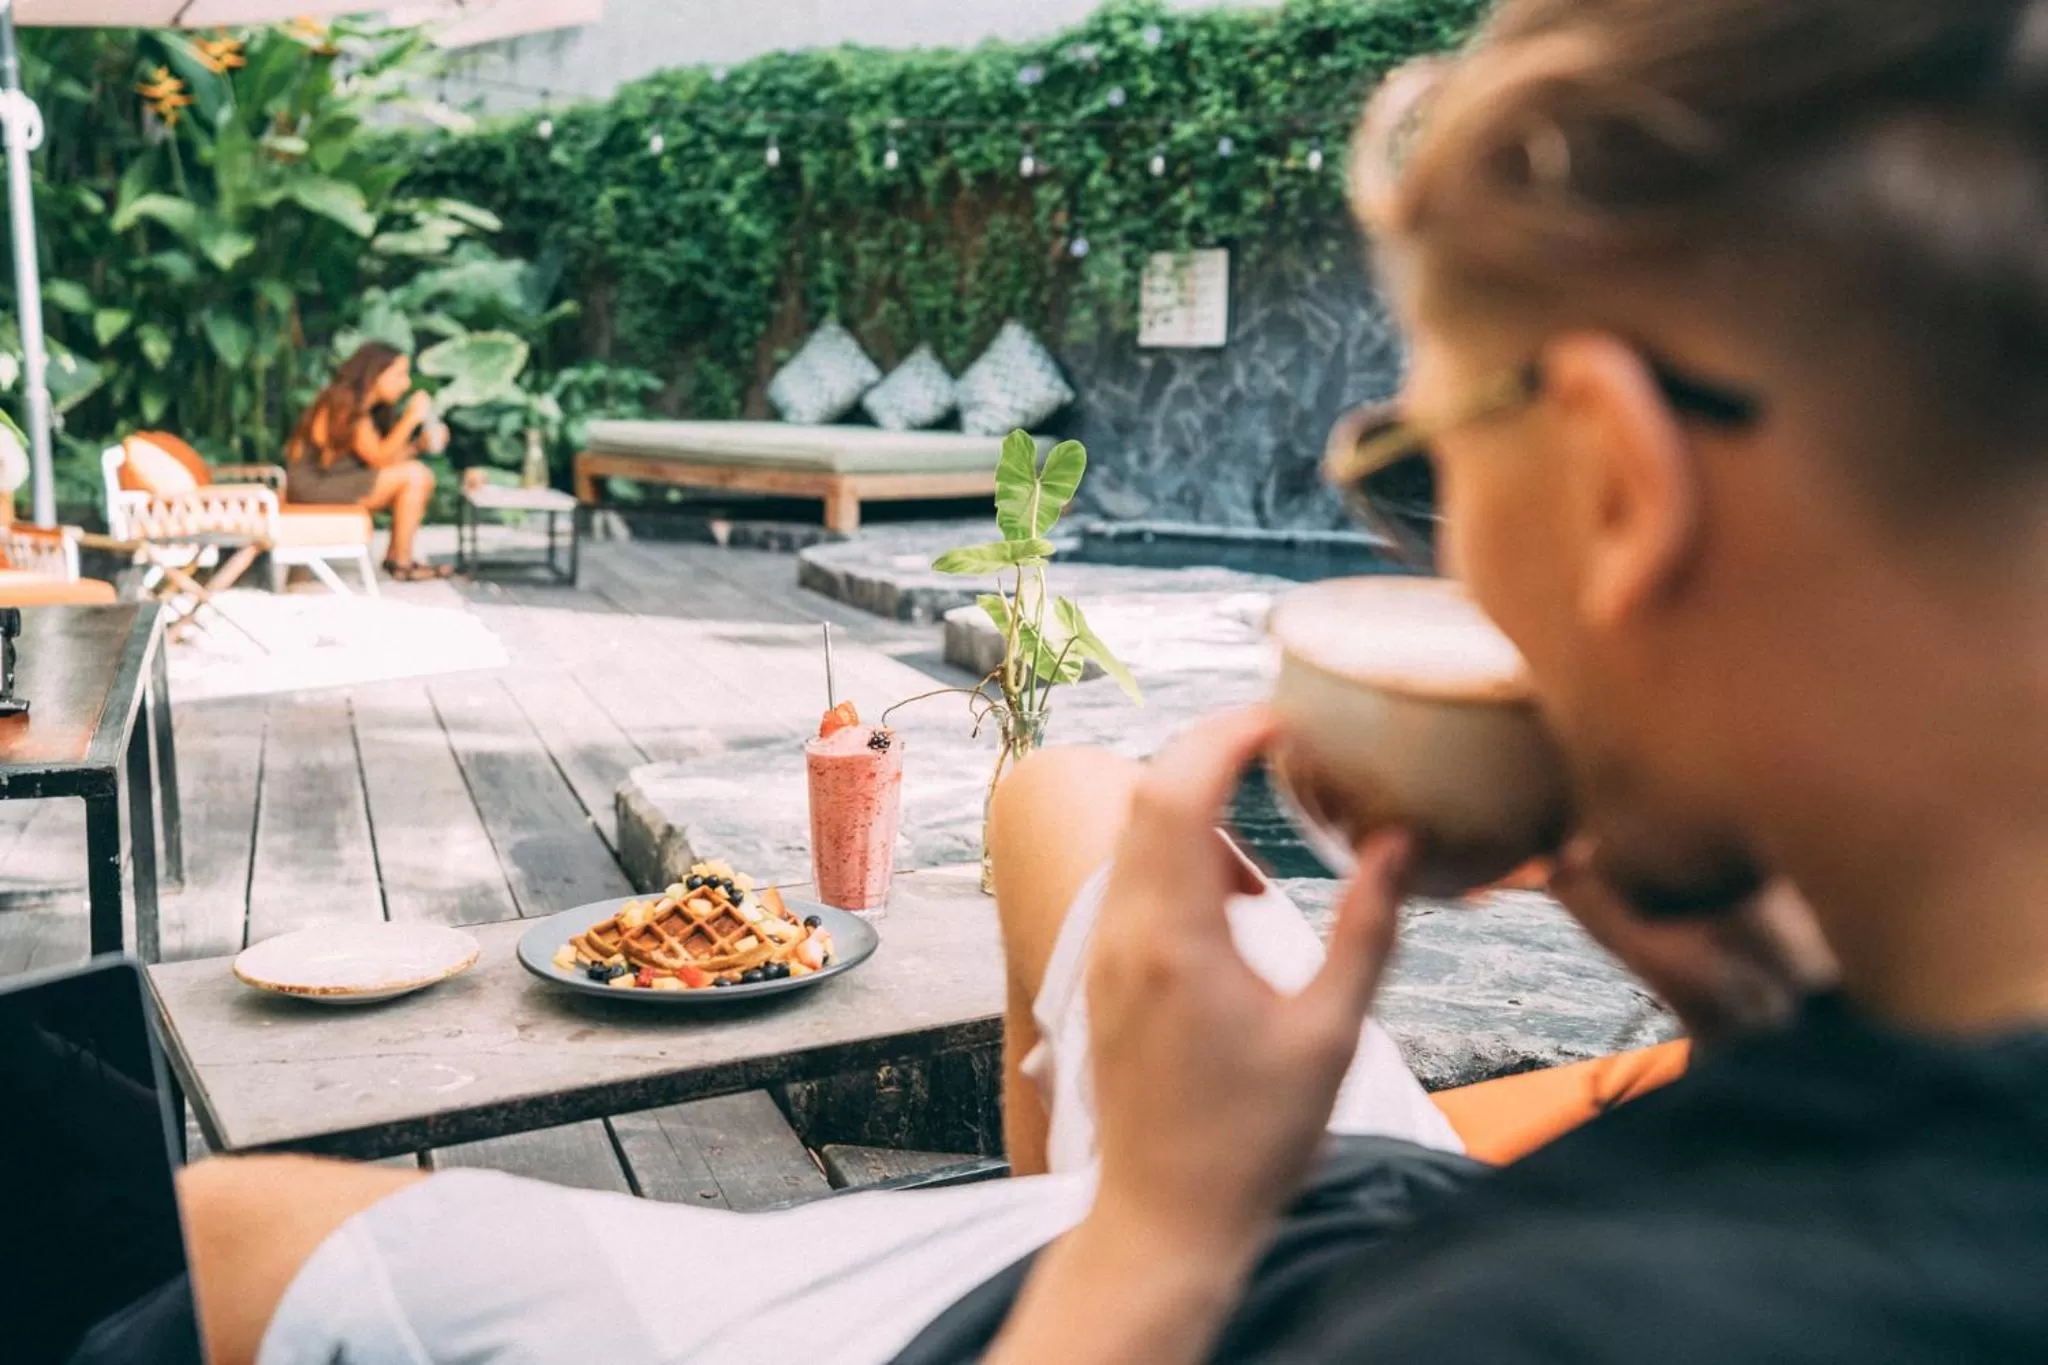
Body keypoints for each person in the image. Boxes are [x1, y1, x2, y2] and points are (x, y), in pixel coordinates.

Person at [175, 0, 2048, 1360]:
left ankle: (1045, 1198)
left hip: (1177, 1287)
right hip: (1373, 1209)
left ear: (1618, 482)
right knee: (1062, 792)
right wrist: (1760, 997)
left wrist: (1147, 1231)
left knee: (211, 1228)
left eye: (1420, 470)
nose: (1430, 537)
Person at [284, 342, 451, 582]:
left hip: (330, 482)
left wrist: (417, 446)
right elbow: (379, 459)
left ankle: (398, 558)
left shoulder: (365, 407)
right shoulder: (343, 403)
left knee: (415, 476)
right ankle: (400, 562)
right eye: (399, 375)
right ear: (375, 373)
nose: (405, 384)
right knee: (416, 476)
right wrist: (412, 418)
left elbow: (380, 460)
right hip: (312, 486)